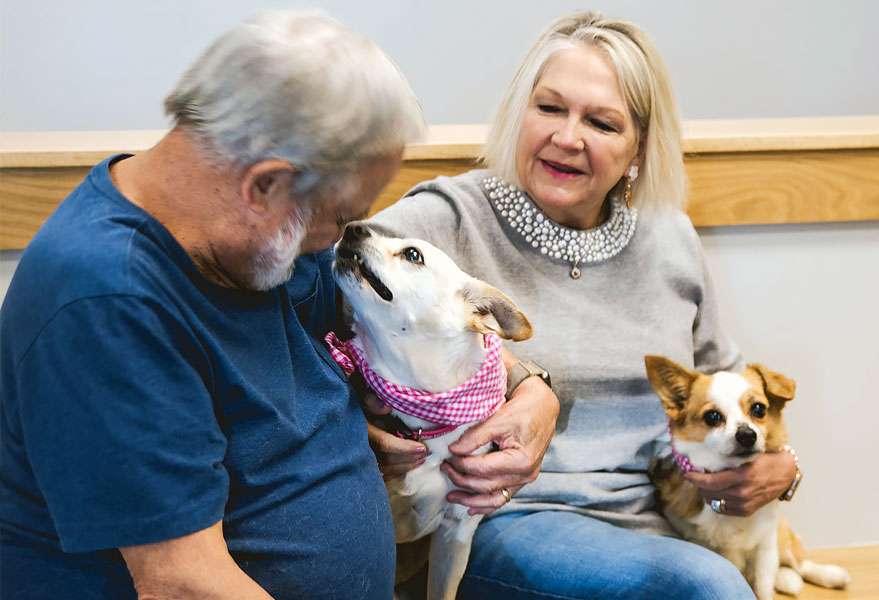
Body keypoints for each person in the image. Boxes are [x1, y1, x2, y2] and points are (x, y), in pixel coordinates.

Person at [368, 12, 799, 600]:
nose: (567, 138)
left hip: (667, 522)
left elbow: (730, 385)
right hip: (505, 520)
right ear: (520, 112)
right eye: (549, 108)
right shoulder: (445, 220)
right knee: (706, 589)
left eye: (601, 122)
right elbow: (309, 290)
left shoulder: (670, 238)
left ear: (639, 148)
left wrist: (779, 469)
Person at [0, 11, 424, 599]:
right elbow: (182, 585)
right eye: (342, 216)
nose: (338, 238)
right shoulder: (104, 298)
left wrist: (528, 384)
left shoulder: (256, 239)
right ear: (265, 186)